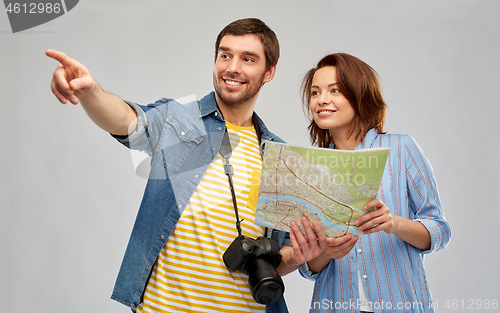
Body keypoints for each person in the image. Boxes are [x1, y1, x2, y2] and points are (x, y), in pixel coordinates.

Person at [46, 18, 326, 313]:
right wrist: (90, 91)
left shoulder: (280, 157)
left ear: (268, 72)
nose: (232, 67)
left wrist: (296, 257)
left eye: (248, 59)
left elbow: (276, 258)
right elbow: (127, 120)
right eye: (225, 54)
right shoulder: (178, 120)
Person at [298, 53, 451, 313]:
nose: (321, 99)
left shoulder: (402, 149)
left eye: (334, 90)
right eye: (315, 92)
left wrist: (394, 223)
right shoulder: (310, 168)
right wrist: (325, 249)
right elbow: (308, 268)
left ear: (360, 95)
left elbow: (439, 231)